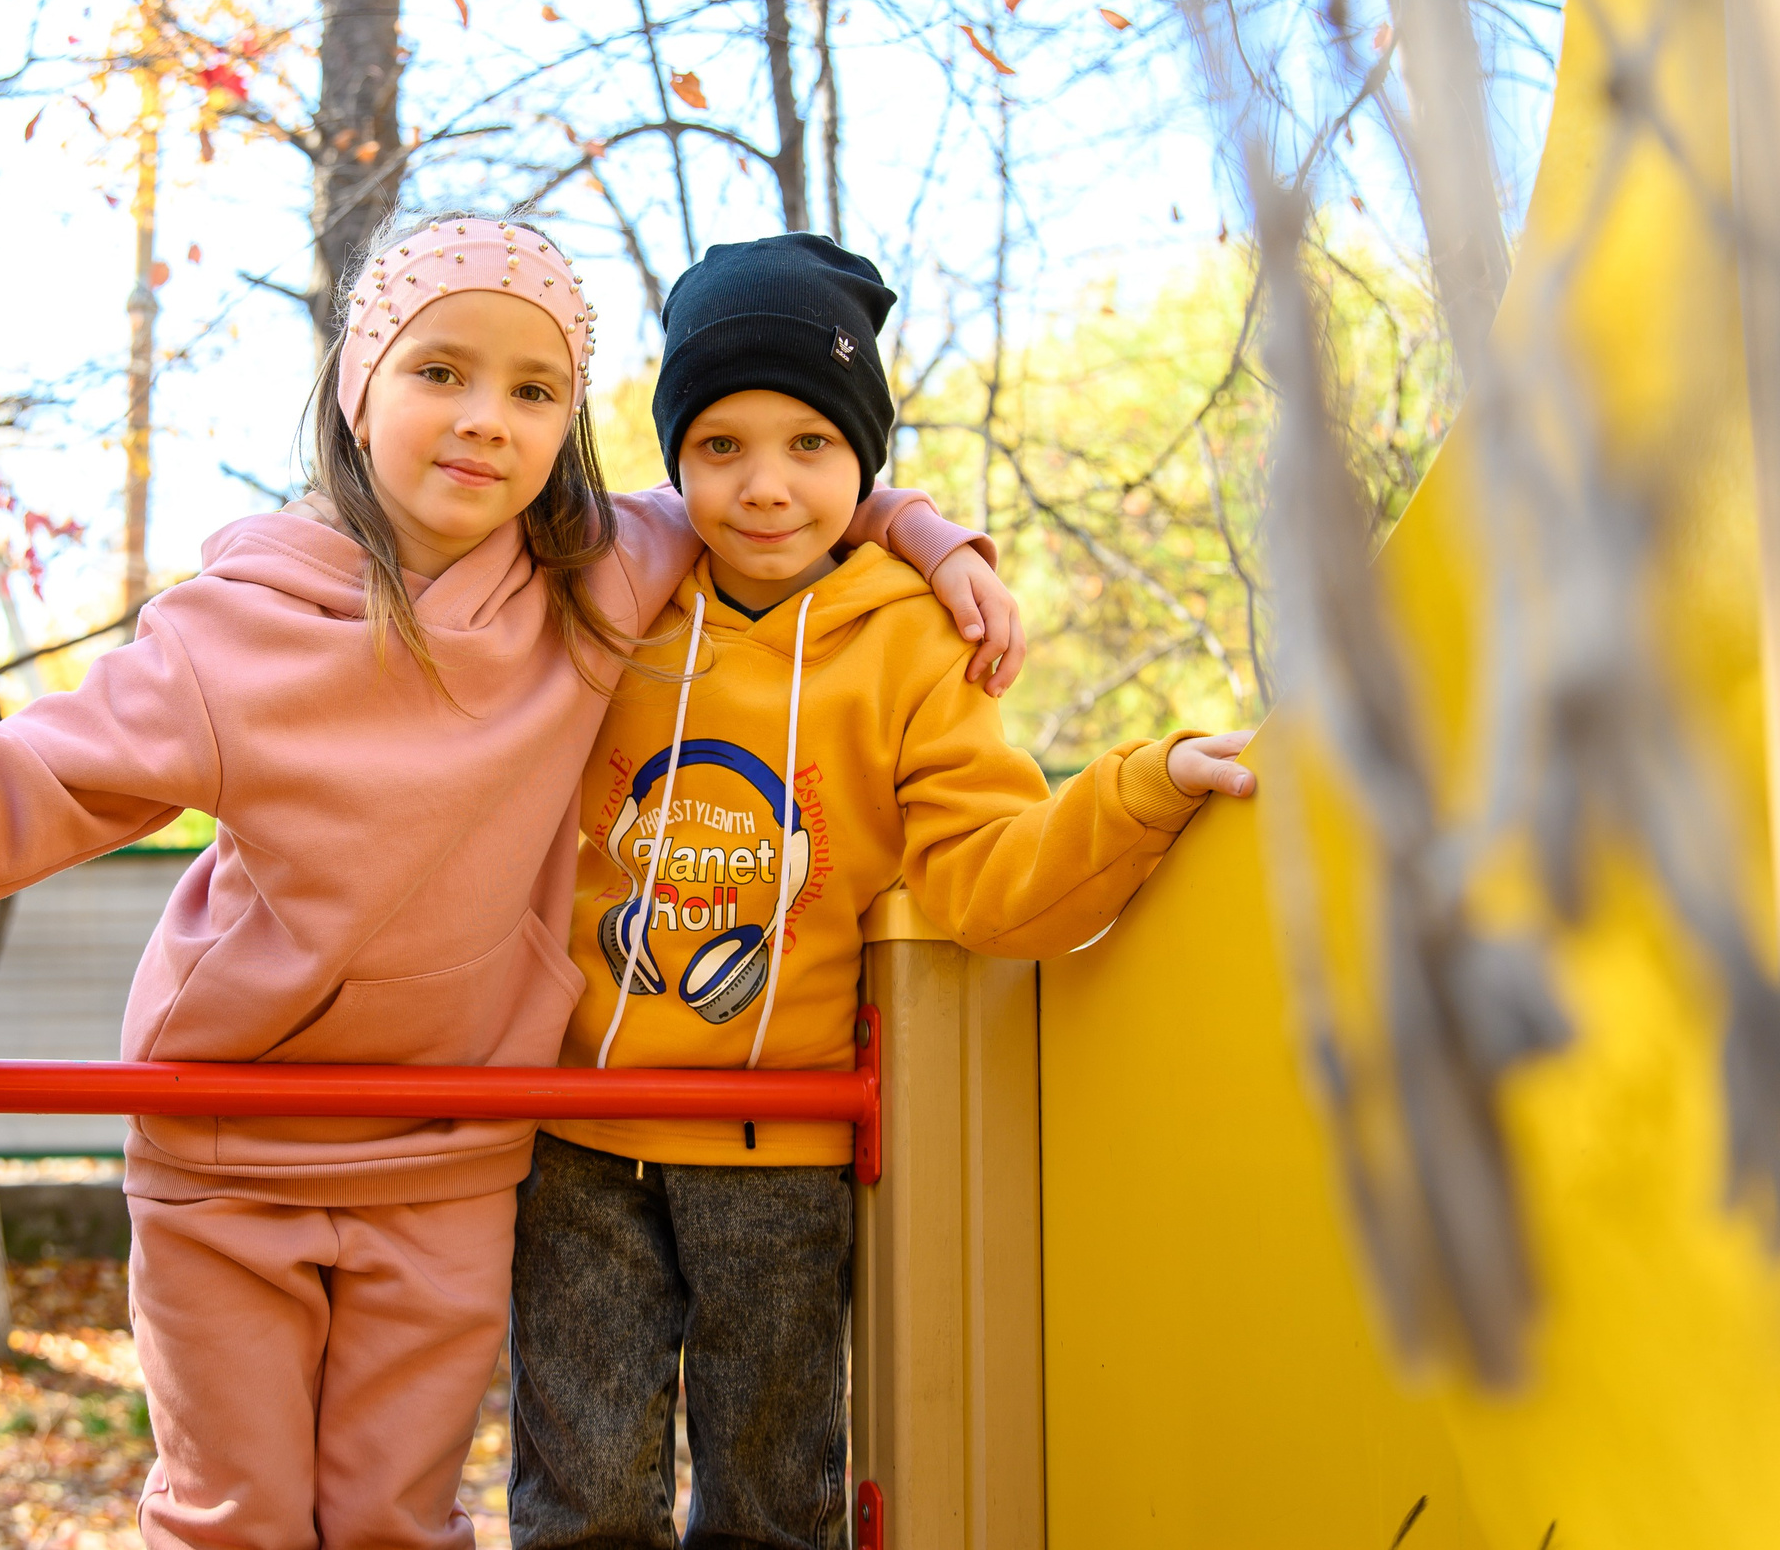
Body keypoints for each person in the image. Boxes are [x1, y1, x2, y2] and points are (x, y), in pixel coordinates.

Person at [0, 212, 1020, 1550]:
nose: (486, 418)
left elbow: (784, 485)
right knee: (233, 1521)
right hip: (231, 1145)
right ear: (356, 384)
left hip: (447, 1149)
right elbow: (26, 778)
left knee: (394, 1519)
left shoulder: (592, 584)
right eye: (441, 371)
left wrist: (926, 530)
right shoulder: (234, 640)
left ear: (569, 430)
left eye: (534, 390)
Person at [508, 234, 1256, 1550]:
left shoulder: (915, 639)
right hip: (577, 1140)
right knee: (580, 1509)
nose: (764, 486)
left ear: (863, 460)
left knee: (776, 1508)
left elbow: (989, 880)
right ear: (675, 458)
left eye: (809, 444)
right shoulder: (605, 594)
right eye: (721, 445)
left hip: (781, 1147)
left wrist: (1143, 789)